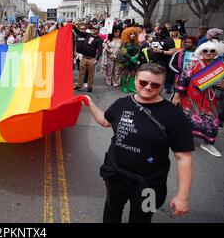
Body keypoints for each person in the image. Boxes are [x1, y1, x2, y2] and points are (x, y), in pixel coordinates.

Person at [81, 63, 194, 223]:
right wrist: (90, 104)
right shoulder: (122, 104)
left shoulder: (175, 116)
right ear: (135, 80)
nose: (148, 87)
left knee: (142, 219)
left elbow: (184, 158)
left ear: (163, 85)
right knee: (112, 211)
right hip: (116, 176)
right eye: (143, 82)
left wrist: (183, 196)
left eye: (155, 85)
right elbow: (106, 121)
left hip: (151, 184)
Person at [172, 41, 224, 157]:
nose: (209, 53)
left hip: (210, 99)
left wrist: (222, 85)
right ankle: (183, 139)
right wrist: (176, 96)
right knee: (186, 118)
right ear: (201, 52)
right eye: (205, 51)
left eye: (212, 51)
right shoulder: (193, 64)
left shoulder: (220, 67)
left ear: (216, 53)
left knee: (212, 121)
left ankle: (208, 143)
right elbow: (183, 79)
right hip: (191, 98)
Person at [74, 25, 104, 93]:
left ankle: (90, 87)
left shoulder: (99, 40)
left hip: (91, 59)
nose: (93, 30)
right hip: (84, 57)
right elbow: (79, 32)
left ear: (98, 31)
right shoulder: (87, 35)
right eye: (93, 29)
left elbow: (100, 50)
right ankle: (79, 85)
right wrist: (73, 27)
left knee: (91, 74)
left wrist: (97, 59)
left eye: (95, 29)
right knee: (81, 73)